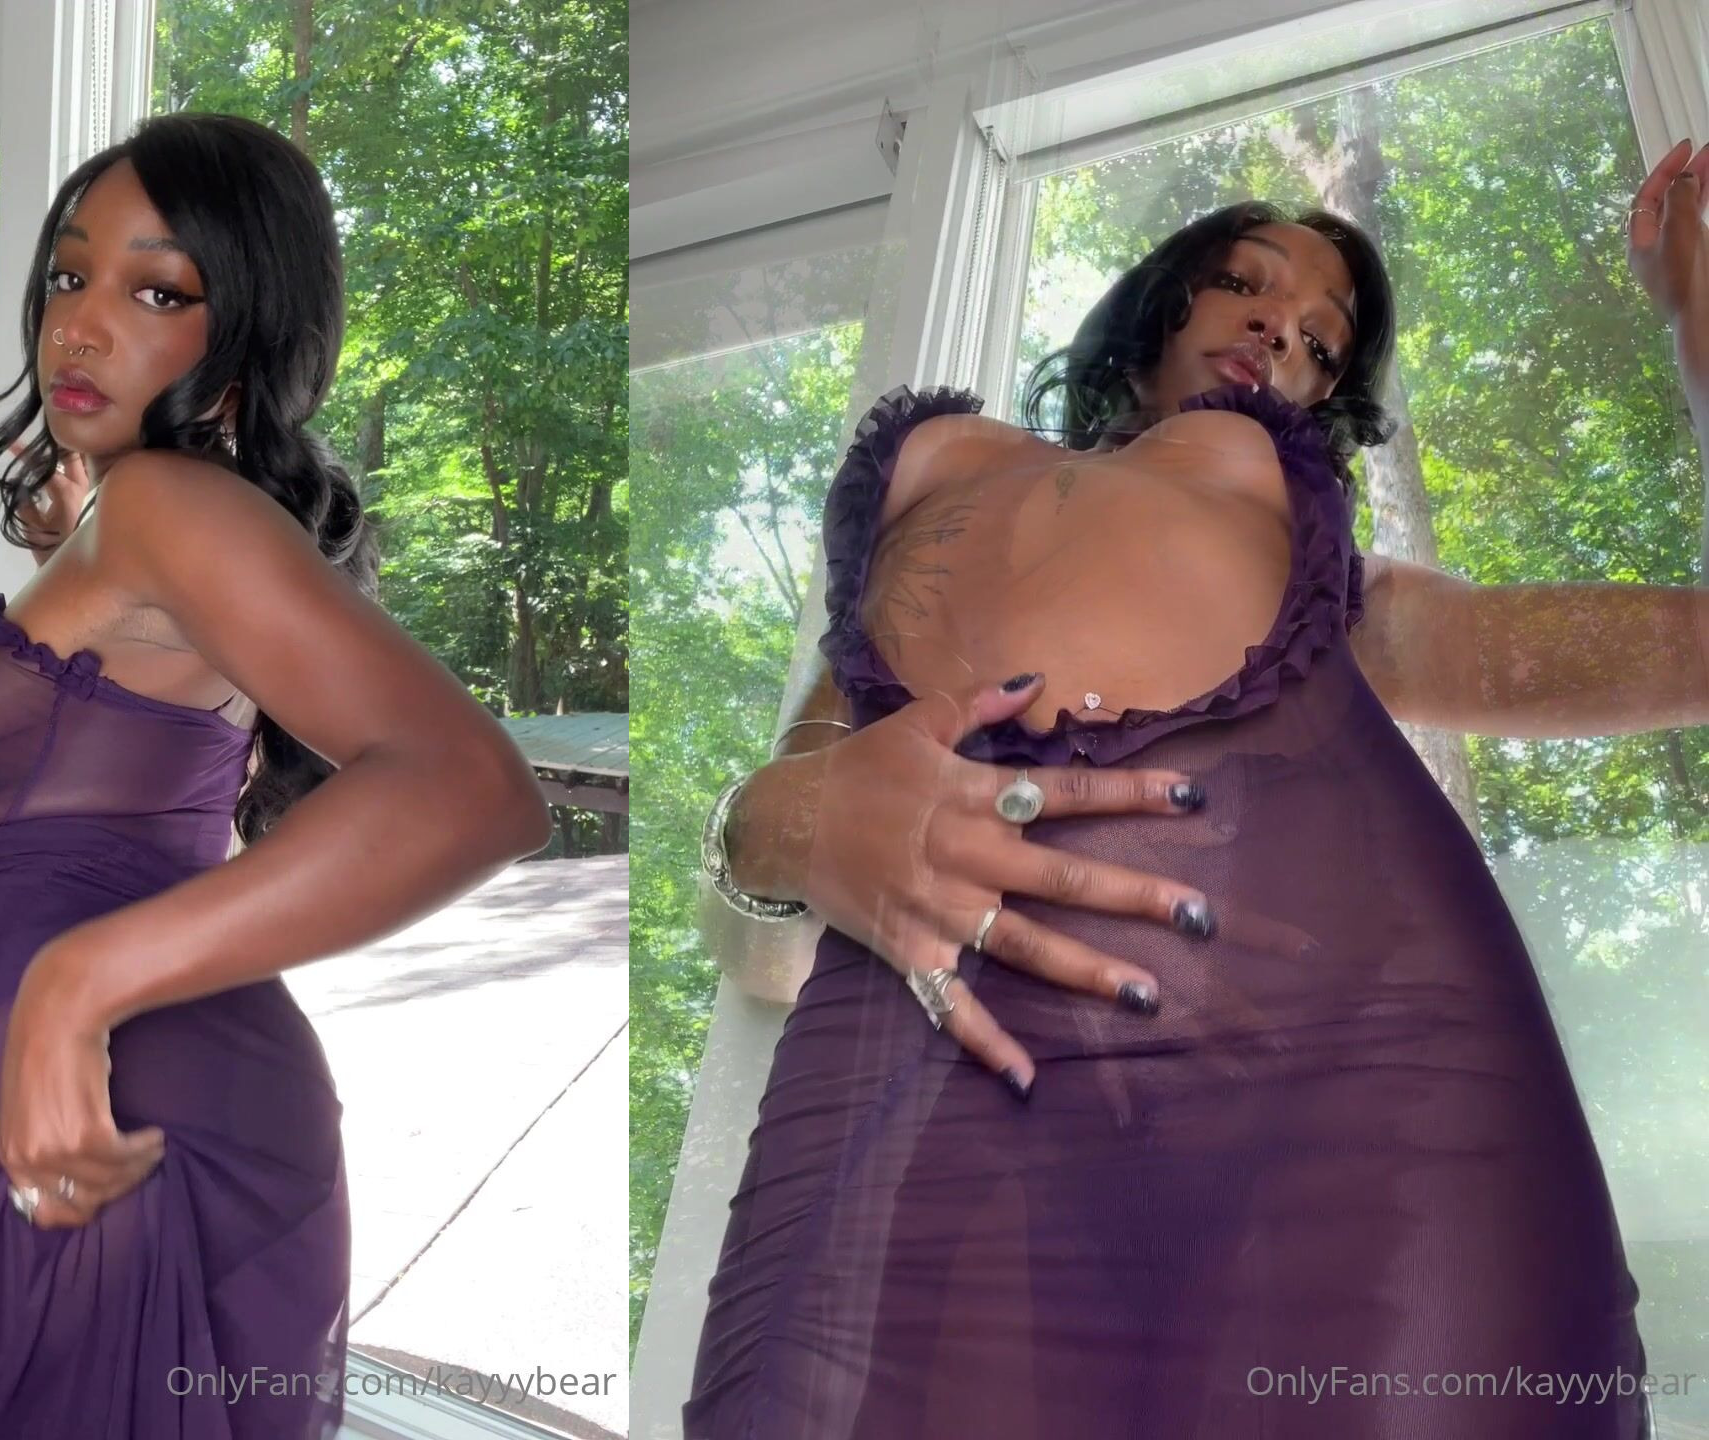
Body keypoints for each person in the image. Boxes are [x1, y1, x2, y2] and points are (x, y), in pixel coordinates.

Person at [672, 141, 1709, 1435]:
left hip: (1375, 1101)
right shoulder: (923, 520)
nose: (1283, 327)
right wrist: (776, 821)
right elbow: (760, 958)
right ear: (1163, 300)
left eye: (1324, 342)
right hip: (934, 1095)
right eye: (1247, 282)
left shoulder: (1333, 584)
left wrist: (1697, 319)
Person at [0, 112, 552, 1439]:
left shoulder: (169, 511)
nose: (79, 325)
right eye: (69, 274)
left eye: (156, 292)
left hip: (100, 1111)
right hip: (32, 1088)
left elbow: (475, 790)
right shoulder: (137, 515)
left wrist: (75, 988)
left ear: (244, 326)